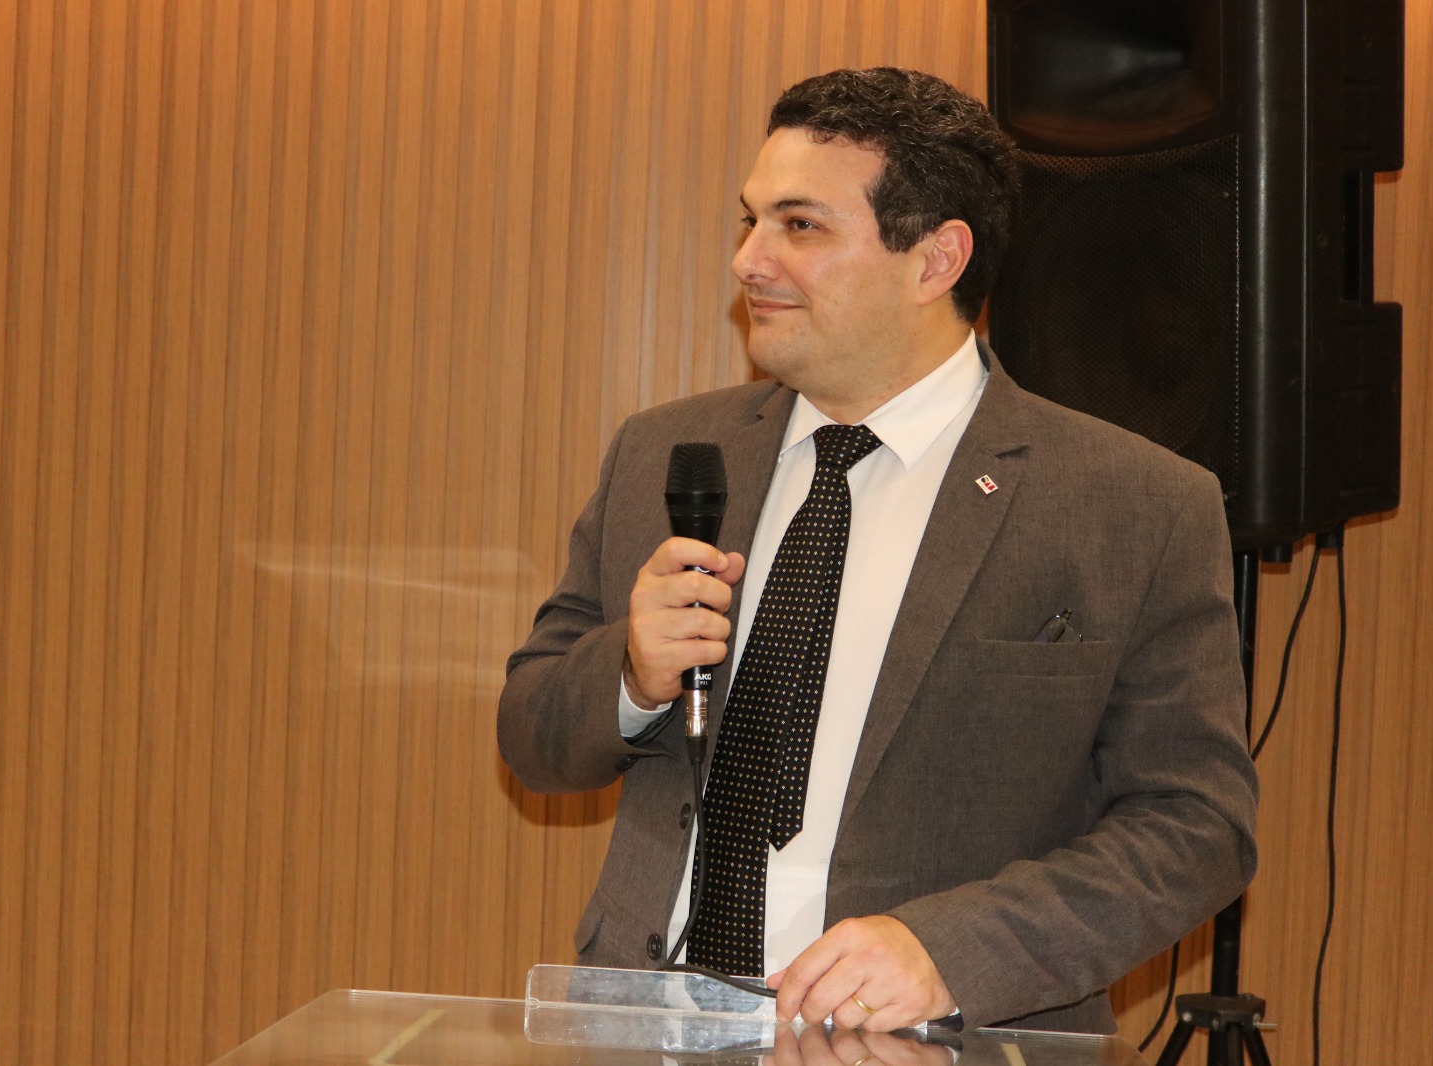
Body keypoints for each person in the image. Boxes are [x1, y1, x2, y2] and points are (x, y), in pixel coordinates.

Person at [498, 67, 1257, 1034]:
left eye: (800, 226)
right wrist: (630, 675)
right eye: (751, 221)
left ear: (936, 260)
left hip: (930, 1040)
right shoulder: (668, 453)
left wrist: (953, 952)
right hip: (651, 1026)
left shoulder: (1134, 504)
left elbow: (1195, 827)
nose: (748, 260)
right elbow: (532, 734)